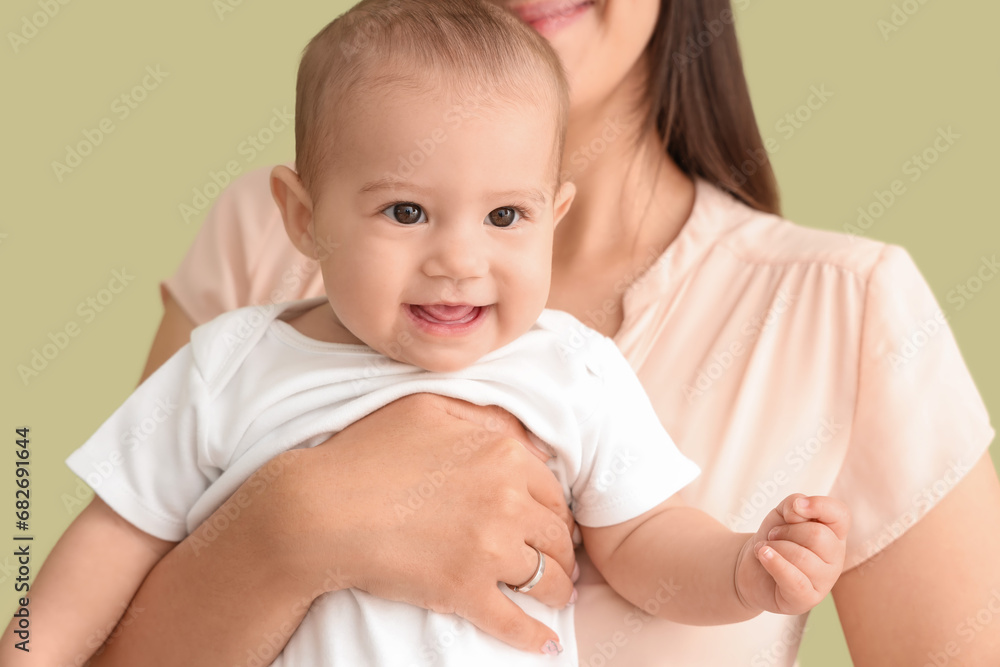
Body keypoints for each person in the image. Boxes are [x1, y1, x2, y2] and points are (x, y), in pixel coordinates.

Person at [31, 0, 1000, 665]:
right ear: (304, 216)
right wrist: (293, 525)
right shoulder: (239, 331)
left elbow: (648, 538)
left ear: (550, 207)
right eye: (405, 212)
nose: (455, 263)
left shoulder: (590, 362)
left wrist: (745, 566)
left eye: (504, 218)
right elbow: (102, 557)